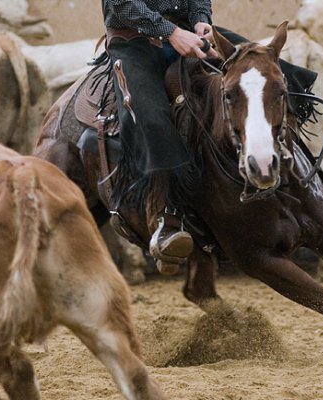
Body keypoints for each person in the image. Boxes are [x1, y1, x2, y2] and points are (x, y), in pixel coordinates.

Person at [101, 0, 219, 274]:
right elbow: (121, 4)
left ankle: (282, 176)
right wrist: (171, 32)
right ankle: (169, 216)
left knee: (257, 68)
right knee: (150, 118)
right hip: (134, 43)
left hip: (188, 36)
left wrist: (202, 20)